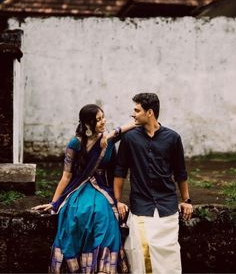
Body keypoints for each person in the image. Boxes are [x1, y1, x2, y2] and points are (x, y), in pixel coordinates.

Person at [32, 104, 135, 274]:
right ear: (87, 124)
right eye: (98, 119)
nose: (104, 121)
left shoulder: (106, 140)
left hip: (101, 188)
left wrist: (138, 120)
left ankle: (103, 269)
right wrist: (54, 203)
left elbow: (121, 130)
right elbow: (66, 176)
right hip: (79, 188)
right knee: (75, 214)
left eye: (103, 117)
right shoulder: (75, 143)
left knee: (104, 216)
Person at [113, 93, 193, 274]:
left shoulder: (172, 138)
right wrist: (117, 201)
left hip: (167, 204)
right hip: (141, 204)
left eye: (137, 110)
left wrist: (186, 201)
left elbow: (181, 172)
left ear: (149, 112)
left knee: (169, 251)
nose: (133, 114)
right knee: (142, 247)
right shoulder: (130, 139)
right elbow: (120, 172)